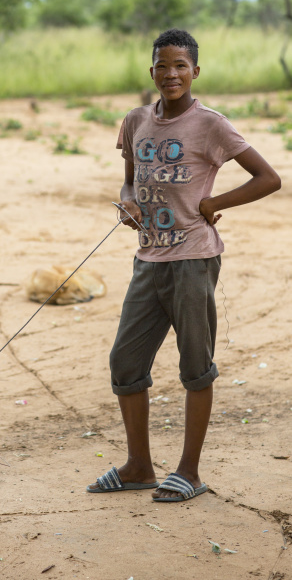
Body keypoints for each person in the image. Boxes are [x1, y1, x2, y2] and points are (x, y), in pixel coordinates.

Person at [87, 28, 281, 502]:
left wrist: (217, 202)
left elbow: (268, 178)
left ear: (195, 71)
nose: (170, 74)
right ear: (150, 70)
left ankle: (189, 472)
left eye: (180, 66)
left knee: (196, 367)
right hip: (148, 260)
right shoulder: (136, 121)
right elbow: (129, 183)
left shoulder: (210, 124)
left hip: (194, 259)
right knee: (125, 363)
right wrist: (128, 203)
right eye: (161, 65)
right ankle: (138, 467)